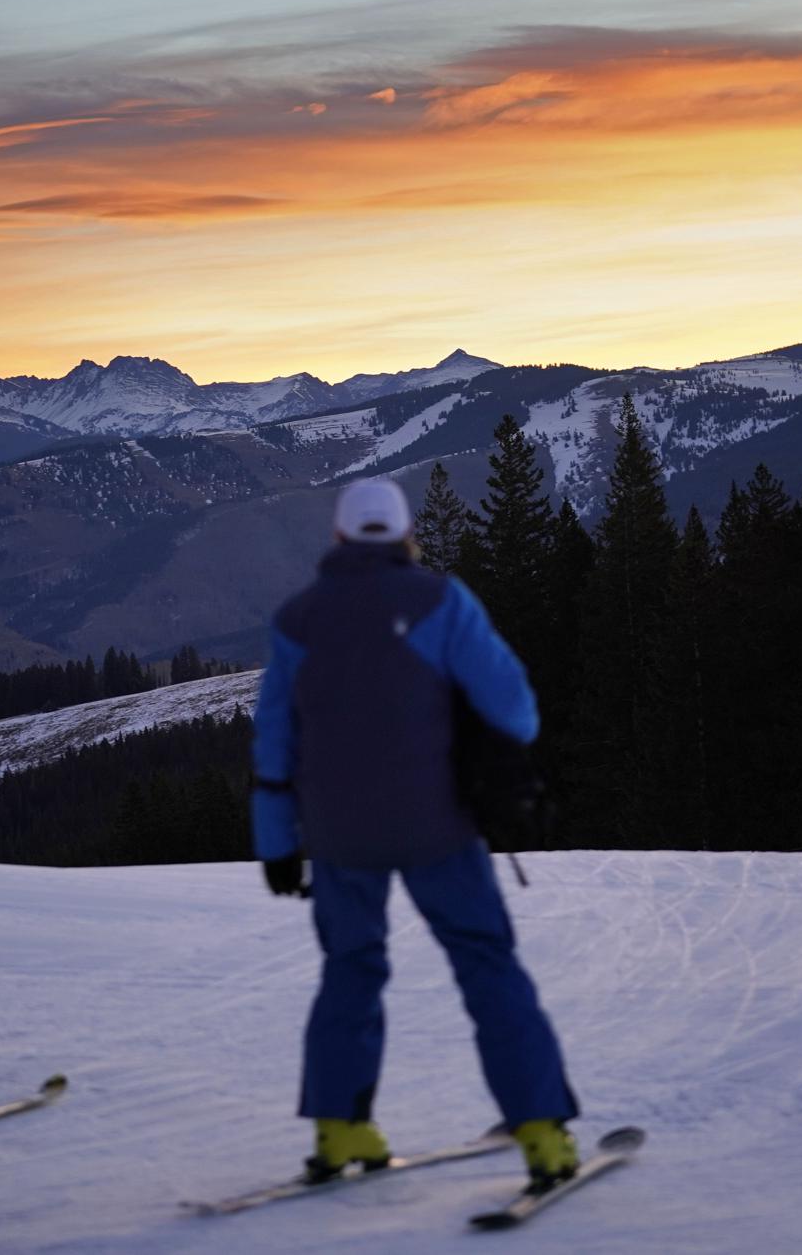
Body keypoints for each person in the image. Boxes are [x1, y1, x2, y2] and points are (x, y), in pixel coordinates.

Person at [250, 477, 581, 1188]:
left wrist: (277, 843)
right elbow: (517, 712)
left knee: (351, 969)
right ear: (406, 537)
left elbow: (273, 744)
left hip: (338, 836)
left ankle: (340, 1129)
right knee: (486, 966)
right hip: (440, 825)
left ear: (339, 538)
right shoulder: (440, 602)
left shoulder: (296, 620)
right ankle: (542, 1133)